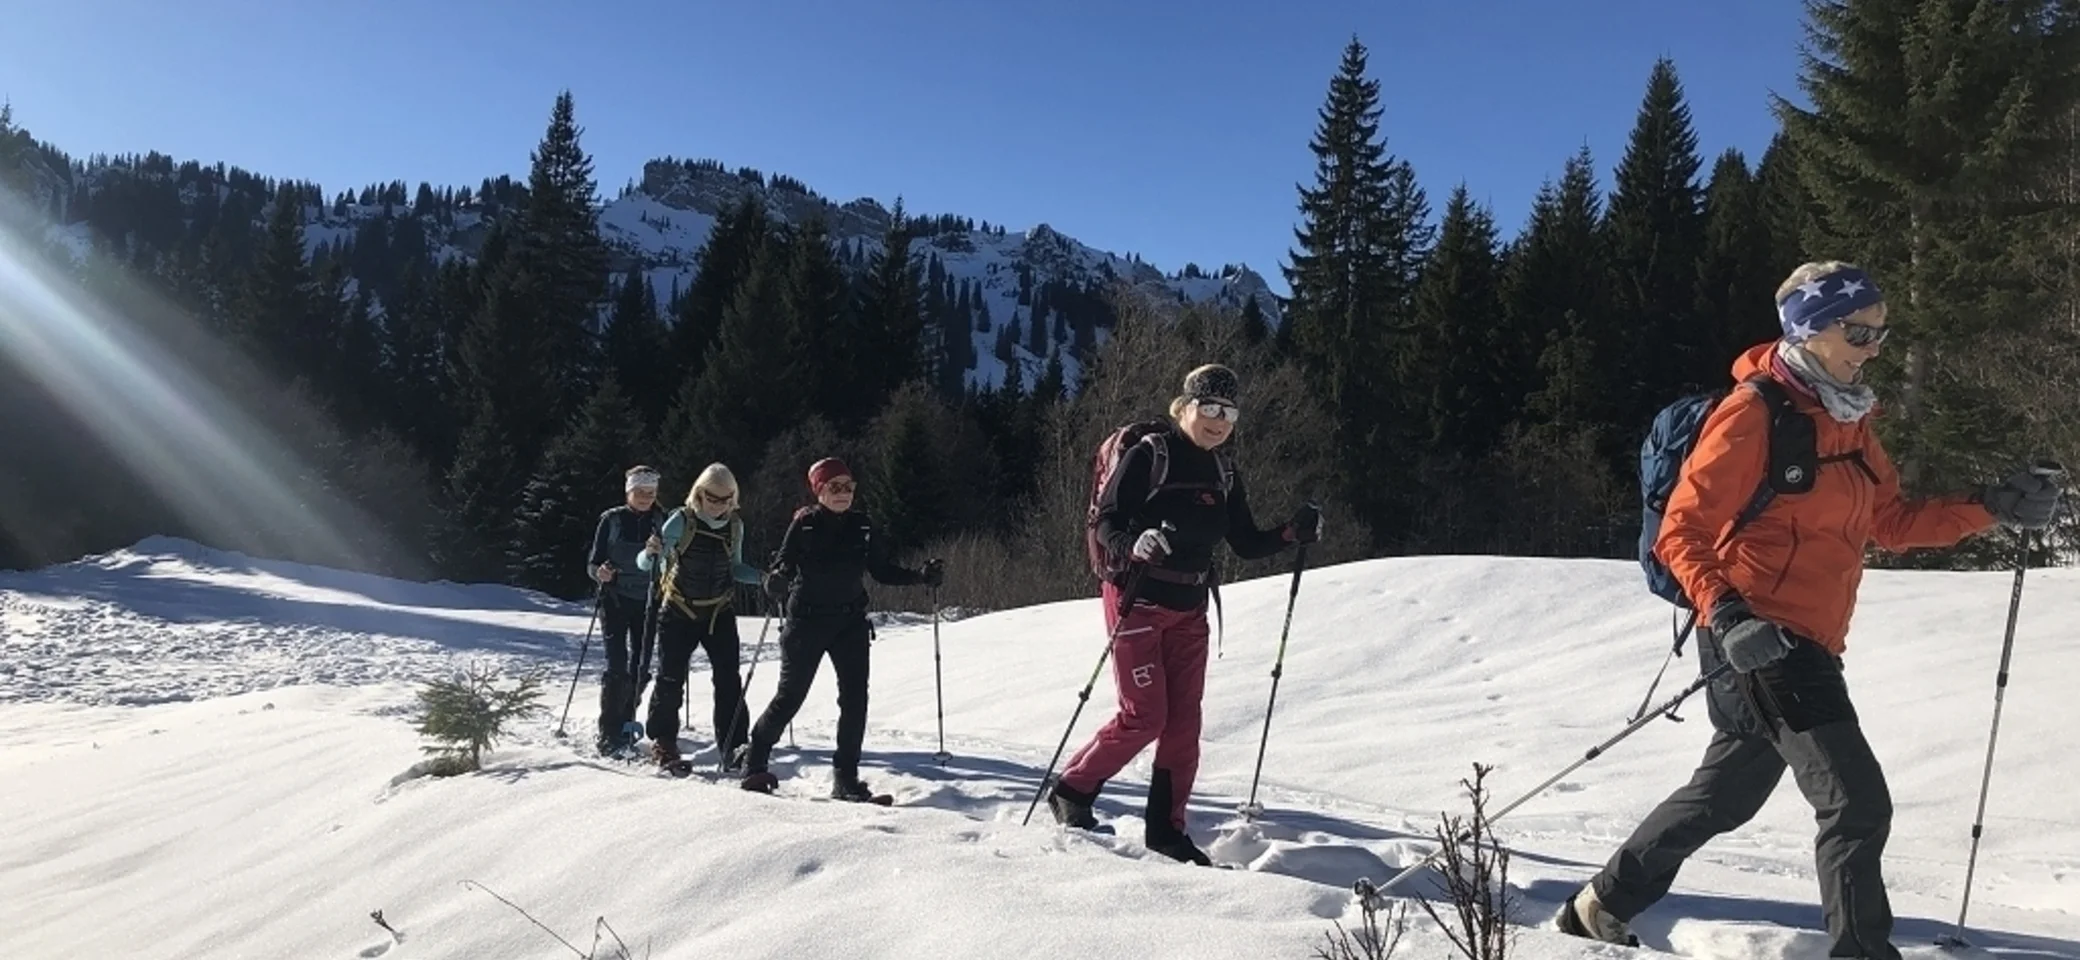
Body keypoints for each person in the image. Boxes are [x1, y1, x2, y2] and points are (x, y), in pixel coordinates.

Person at [1557, 262, 2063, 959]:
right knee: (1856, 802)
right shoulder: (1753, 414)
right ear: (1810, 330)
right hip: (1757, 632)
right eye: (1859, 331)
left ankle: (1601, 903)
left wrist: (1991, 506)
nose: (1873, 348)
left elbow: (1890, 521)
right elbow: (1682, 532)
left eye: (1881, 333)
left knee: (1726, 795)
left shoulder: (1849, 420)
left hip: (1807, 639)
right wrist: (1730, 616)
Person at [1045, 363, 1322, 865]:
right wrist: (1134, 544)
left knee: (1183, 725)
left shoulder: (1224, 472)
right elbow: (1106, 520)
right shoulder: (1151, 455)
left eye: (1229, 412)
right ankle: (1073, 789)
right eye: (1210, 408)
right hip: (1137, 600)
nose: (1219, 421)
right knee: (1145, 716)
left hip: (1191, 609)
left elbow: (1245, 542)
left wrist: (1290, 534)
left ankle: (1167, 833)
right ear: (1186, 407)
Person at [735, 457, 945, 800]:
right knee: (790, 697)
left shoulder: (863, 526)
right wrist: (777, 580)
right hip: (806, 622)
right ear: (819, 491)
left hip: (849, 623)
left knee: (855, 700)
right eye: (835, 487)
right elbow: (784, 564)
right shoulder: (805, 525)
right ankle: (754, 760)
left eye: (848, 486)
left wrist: (920, 577)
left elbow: (881, 571)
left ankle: (846, 779)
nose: (843, 493)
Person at [635, 463, 764, 771]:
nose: (718, 505)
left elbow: (735, 567)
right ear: (699, 493)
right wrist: (649, 552)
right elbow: (646, 564)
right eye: (712, 497)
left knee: (729, 680)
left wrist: (765, 578)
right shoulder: (681, 520)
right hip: (679, 609)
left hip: (719, 611)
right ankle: (663, 741)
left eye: (725, 499)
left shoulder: (735, 526)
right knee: (670, 678)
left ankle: (734, 746)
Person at [587, 465, 668, 757]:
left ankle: (626, 718)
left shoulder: (663, 520)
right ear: (628, 492)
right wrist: (601, 573)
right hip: (615, 600)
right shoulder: (611, 520)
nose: (646, 497)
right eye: (640, 491)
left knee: (641, 665)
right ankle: (609, 731)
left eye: (651, 492)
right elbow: (593, 563)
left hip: (649, 600)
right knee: (617, 665)